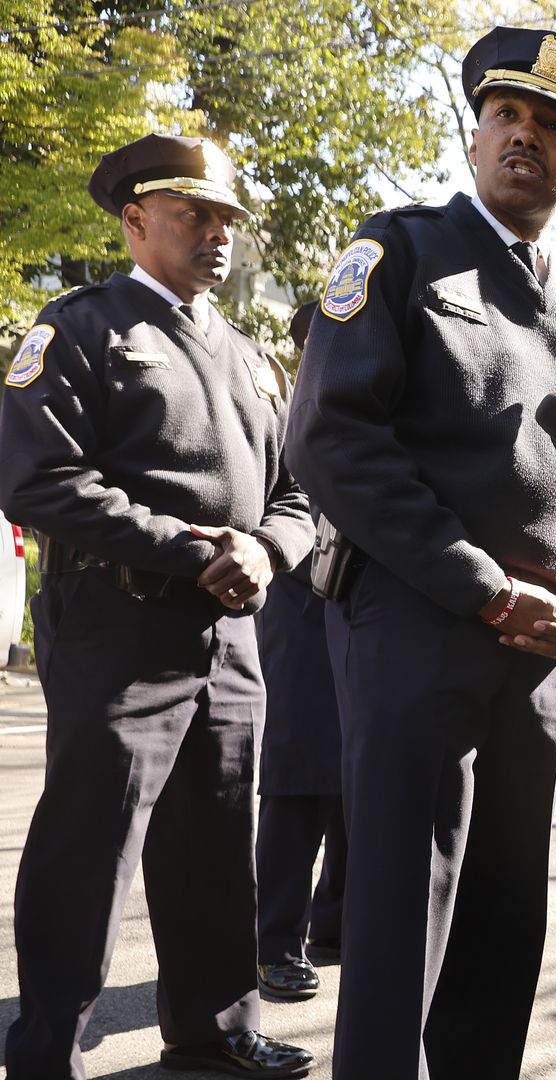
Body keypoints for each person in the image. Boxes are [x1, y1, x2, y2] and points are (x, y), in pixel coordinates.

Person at [285, 25, 556, 1078]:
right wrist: (483, 589)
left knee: (502, 912)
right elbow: (334, 438)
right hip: (419, 624)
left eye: (555, 127)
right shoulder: (398, 252)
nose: (526, 135)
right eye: (508, 115)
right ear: (477, 135)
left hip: (541, 650)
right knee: (399, 914)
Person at [0, 135, 315, 1078]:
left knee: (216, 839)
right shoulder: (81, 330)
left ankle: (214, 1032)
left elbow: (306, 492)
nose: (217, 235)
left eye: (226, 219)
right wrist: (193, 551)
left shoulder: (256, 360)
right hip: (116, 624)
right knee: (89, 847)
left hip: (230, 632)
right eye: (194, 215)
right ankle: (47, 1049)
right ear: (135, 222)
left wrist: (264, 548)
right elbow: (40, 481)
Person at [254, 301, 345, 1004]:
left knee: (356, 778)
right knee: (299, 777)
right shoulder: (285, 411)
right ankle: (274, 943)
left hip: (365, 614)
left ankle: (334, 926)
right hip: (298, 608)